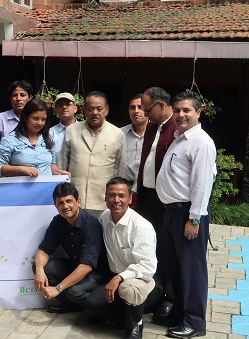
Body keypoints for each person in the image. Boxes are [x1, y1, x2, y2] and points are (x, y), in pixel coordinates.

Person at [156, 91, 216, 339]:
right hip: (171, 213)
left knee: (192, 270)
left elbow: (202, 184)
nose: (181, 115)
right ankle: (180, 312)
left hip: (188, 214)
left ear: (198, 112)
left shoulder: (201, 142)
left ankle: (194, 321)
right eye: (178, 110)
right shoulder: (180, 138)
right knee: (175, 268)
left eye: (187, 110)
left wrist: (194, 220)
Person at [85, 178, 163, 339]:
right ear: (105, 197)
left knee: (129, 289)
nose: (116, 200)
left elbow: (147, 268)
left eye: (121, 195)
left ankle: (135, 323)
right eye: (112, 195)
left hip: (143, 280)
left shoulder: (141, 227)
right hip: (116, 277)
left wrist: (120, 277)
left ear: (130, 198)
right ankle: (128, 312)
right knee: (92, 305)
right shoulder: (105, 217)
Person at [136, 87, 177, 325]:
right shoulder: (152, 127)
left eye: (147, 108)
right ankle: (153, 293)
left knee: (167, 251)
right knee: (148, 248)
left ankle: (170, 297)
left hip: (167, 200)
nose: (144, 113)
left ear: (161, 105)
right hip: (147, 197)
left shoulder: (177, 129)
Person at [33, 182, 104, 313]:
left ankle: (98, 309)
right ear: (55, 206)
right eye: (60, 203)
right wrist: (39, 270)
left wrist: (58, 288)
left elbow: (86, 266)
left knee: (74, 291)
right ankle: (72, 305)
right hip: (75, 266)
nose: (65, 206)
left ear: (78, 201)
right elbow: (44, 250)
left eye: (69, 201)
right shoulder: (58, 221)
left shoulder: (91, 224)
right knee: (42, 267)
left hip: (95, 274)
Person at [59, 91, 127, 214]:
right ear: (84, 110)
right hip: (75, 197)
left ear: (106, 110)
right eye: (90, 109)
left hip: (103, 199)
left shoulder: (117, 134)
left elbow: (121, 169)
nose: (95, 113)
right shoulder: (71, 131)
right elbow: (62, 164)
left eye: (99, 109)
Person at [0, 98, 69, 178]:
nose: (39, 123)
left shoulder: (48, 139)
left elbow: (51, 165)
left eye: (43, 119)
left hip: (46, 188)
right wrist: (21, 169)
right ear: (25, 117)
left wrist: (59, 172)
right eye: (35, 118)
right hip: (20, 189)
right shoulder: (10, 140)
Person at [121, 94, 148, 184]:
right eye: (132, 107)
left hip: (147, 187)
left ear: (147, 110)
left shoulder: (157, 133)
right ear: (128, 111)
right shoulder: (120, 134)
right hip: (125, 186)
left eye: (140, 107)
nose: (136, 111)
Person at [49, 92, 78, 165]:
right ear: (55, 110)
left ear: (75, 108)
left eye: (68, 104)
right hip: (58, 175)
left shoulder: (84, 130)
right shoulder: (50, 133)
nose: (64, 107)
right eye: (60, 105)